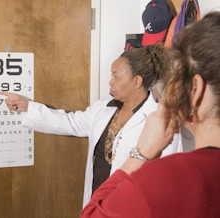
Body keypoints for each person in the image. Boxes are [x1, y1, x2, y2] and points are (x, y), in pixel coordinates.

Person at [0, 43, 182, 208]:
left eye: (116, 76)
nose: (110, 82)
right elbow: (69, 122)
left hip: (131, 208)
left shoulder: (160, 119)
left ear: (137, 81)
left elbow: (166, 179)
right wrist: (27, 107)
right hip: (97, 202)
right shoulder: (103, 109)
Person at [81, 11, 220, 217]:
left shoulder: (161, 181)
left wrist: (141, 153)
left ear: (195, 89)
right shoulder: (104, 109)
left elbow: (93, 214)